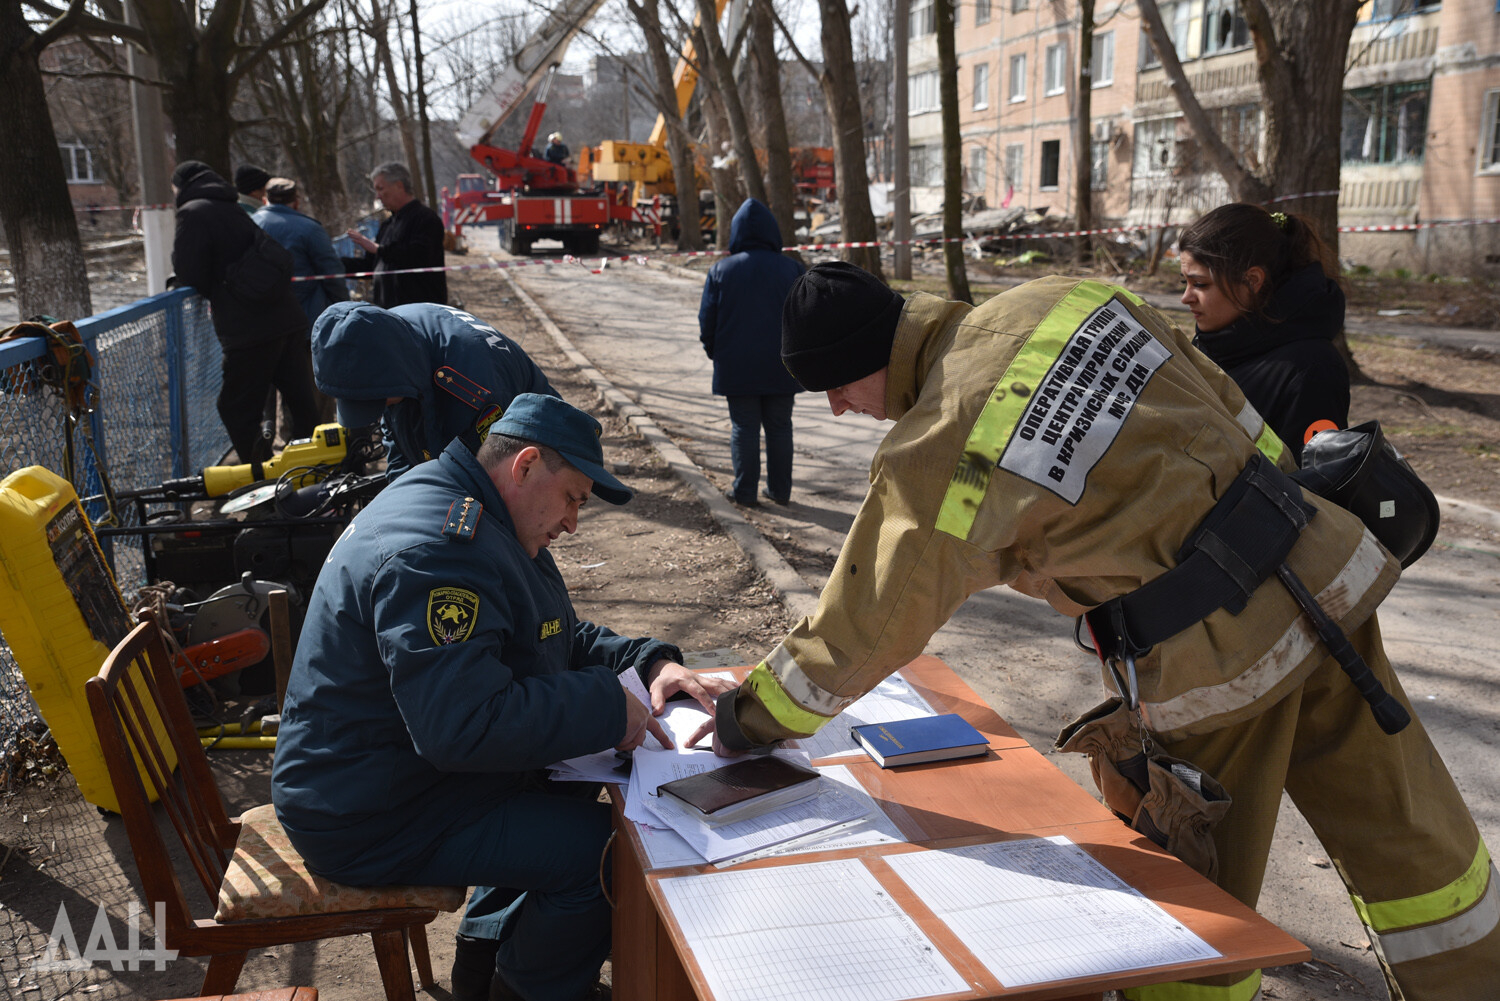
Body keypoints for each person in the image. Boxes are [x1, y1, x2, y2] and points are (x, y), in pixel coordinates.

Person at [694, 262, 1496, 1000]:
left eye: (835, 386)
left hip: (1218, 665)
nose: (839, 407)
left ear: (872, 354)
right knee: (1421, 851)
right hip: (1323, 575)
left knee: (1197, 914)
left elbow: (863, 624)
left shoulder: (938, 442)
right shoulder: (1068, 297)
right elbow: (1232, 407)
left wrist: (746, 716)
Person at [271, 393, 735, 1001]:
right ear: (525, 466)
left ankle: (483, 966)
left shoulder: (484, 516)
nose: (573, 521)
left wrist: (647, 662)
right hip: (371, 815)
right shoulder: (441, 552)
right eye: (572, 498)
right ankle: (526, 990)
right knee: (604, 855)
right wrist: (604, 708)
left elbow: (548, 638)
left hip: (398, 782)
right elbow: (462, 727)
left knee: (563, 799)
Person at [170, 160, 318, 464]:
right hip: (284, 316)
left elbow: (190, 270)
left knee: (235, 408)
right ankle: (315, 468)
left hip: (250, 326)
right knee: (301, 401)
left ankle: (262, 477)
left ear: (180, 187)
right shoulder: (231, 206)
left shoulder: (193, 212)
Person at [1177, 202, 1349, 463]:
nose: (1186, 297)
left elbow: (1312, 487)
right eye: (1185, 282)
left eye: (1200, 284)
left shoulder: (1312, 368)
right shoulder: (1216, 342)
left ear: (1252, 281)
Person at [312, 300, 558, 480]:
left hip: (539, 447)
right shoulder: (382, 336)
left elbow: (490, 480)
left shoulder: (470, 386)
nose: (378, 411)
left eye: (377, 402)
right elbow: (398, 437)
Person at [698, 198, 804, 506]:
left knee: (743, 427)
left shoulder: (721, 270)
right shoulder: (793, 269)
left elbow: (708, 320)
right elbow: (805, 317)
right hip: (783, 364)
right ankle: (780, 491)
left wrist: (715, 351)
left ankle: (744, 492)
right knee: (780, 427)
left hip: (737, 365)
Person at [343, 162, 448, 308]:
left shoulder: (426, 218)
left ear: (399, 185)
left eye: (381, 189)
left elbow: (419, 256)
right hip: (389, 313)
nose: (378, 197)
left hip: (420, 313)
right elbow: (371, 265)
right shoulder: (388, 224)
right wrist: (334, 264)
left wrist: (379, 249)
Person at [254, 177, 350, 327]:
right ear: (296, 202)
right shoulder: (309, 228)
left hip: (261, 319)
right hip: (307, 317)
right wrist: (344, 310)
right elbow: (332, 273)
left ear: (265, 200)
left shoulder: (250, 225)